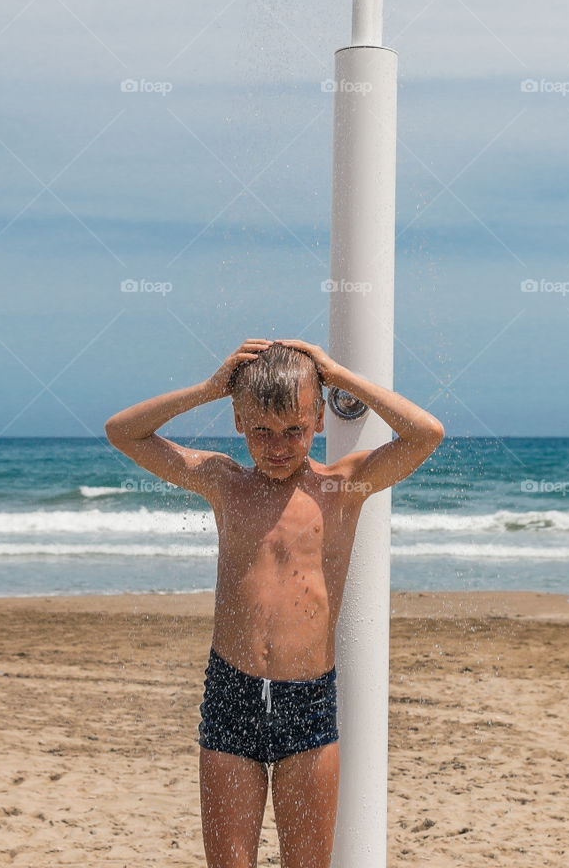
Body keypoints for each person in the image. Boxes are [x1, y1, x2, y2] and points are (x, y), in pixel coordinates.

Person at [104, 336, 445, 868]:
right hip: (231, 694)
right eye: (261, 430)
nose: (278, 445)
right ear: (238, 422)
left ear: (319, 420)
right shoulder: (224, 483)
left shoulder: (343, 488)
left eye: (294, 429)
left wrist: (336, 374)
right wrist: (209, 388)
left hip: (307, 703)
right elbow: (122, 431)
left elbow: (427, 434)